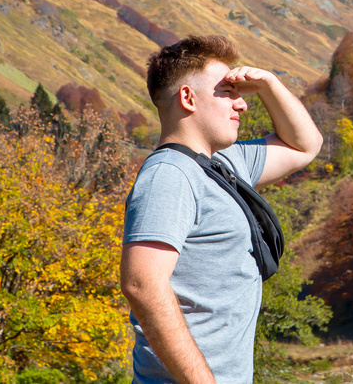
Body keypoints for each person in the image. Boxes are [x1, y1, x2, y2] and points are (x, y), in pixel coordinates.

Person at [120, 34, 323, 384]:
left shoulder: (225, 164)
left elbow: (305, 146)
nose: (242, 105)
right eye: (228, 93)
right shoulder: (170, 175)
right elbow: (141, 283)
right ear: (188, 98)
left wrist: (270, 84)